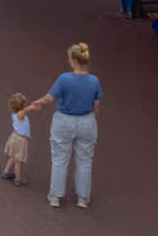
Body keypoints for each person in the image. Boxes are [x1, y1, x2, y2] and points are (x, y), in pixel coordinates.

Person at [29, 42, 100, 210]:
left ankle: (56, 196)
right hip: (87, 121)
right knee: (85, 161)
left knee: (60, 159)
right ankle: (83, 198)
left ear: (74, 60)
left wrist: (37, 102)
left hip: (64, 121)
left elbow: (50, 98)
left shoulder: (64, 79)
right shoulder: (94, 81)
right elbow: (97, 105)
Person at [2, 92, 37, 187]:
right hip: (21, 140)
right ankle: (18, 179)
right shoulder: (21, 114)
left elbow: (25, 109)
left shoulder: (15, 113)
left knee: (13, 157)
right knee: (18, 160)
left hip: (15, 136)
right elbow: (28, 109)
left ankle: (6, 172)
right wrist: (34, 106)